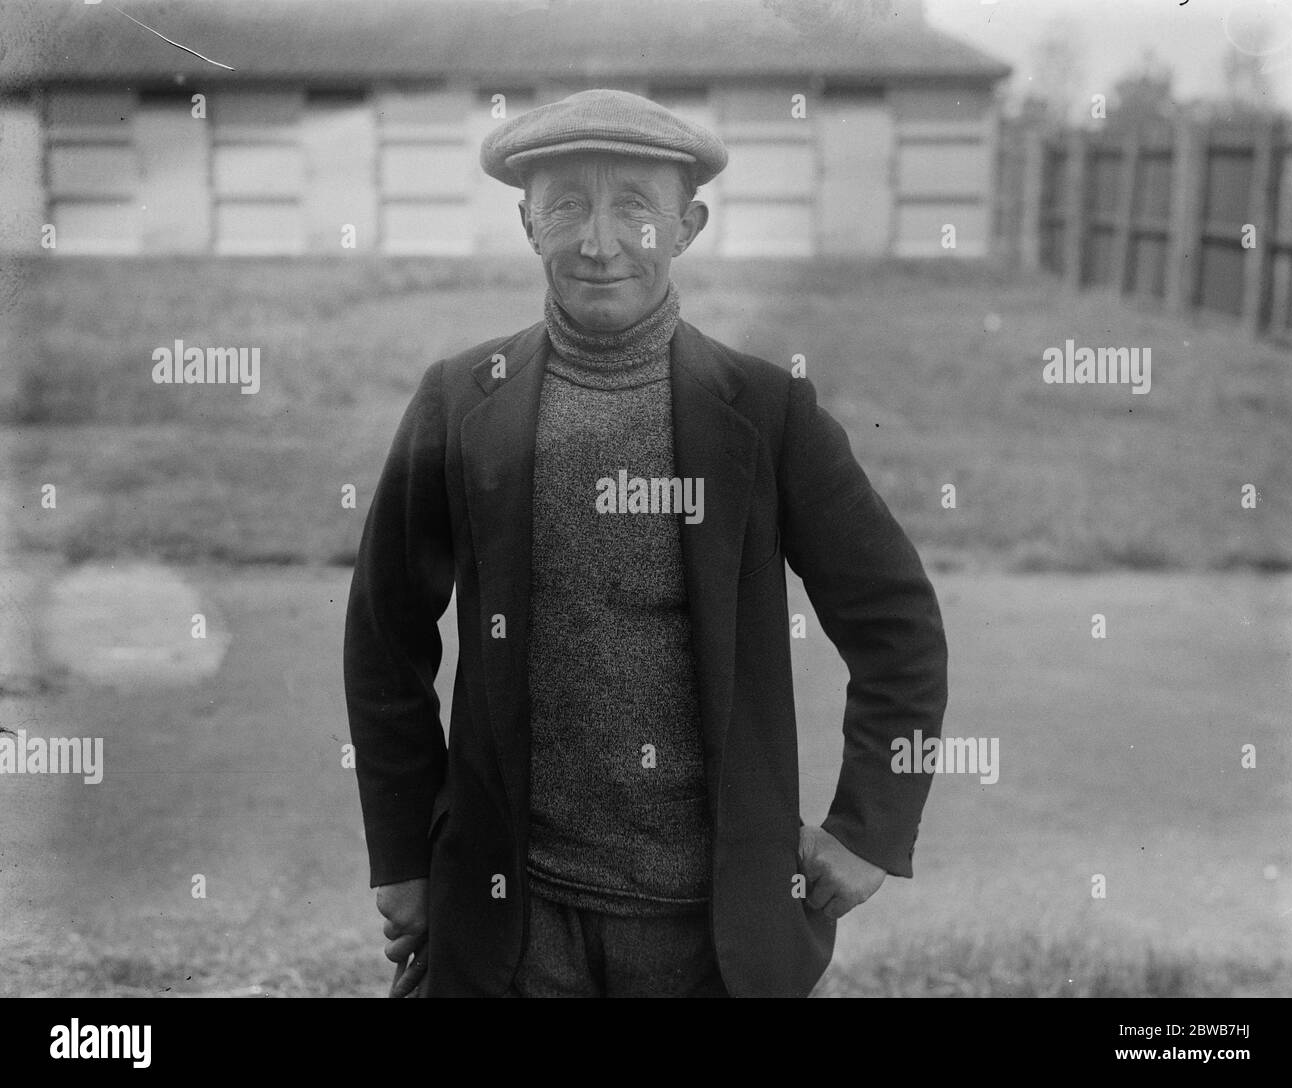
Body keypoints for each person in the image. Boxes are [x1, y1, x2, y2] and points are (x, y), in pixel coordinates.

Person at [343, 88, 947, 998]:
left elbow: (896, 625)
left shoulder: (768, 414)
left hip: (710, 939)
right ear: (526, 221)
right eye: (567, 205)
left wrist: (868, 829)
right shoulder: (460, 402)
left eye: (635, 206)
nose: (599, 241)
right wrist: (403, 857)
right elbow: (384, 642)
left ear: (689, 225)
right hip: (512, 923)